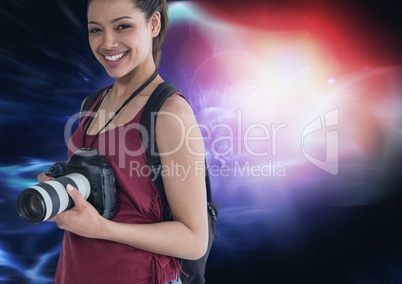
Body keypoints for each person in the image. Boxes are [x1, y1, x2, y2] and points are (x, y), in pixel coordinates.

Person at [37, 0, 208, 283]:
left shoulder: (169, 113)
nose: (107, 43)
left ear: (153, 24)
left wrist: (103, 229)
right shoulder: (91, 104)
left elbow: (194, 240)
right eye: (95, 30)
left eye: (122, 26)